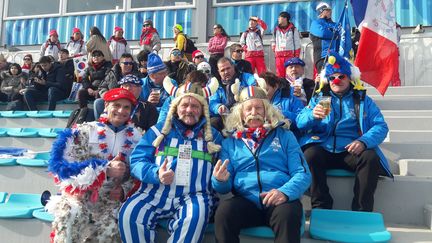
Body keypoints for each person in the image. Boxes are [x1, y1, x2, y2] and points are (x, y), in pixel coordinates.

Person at [118, 77, 222, 243]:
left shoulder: (214, 137)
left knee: (194, 217)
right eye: (184, 105)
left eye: (195, 106)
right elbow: (137, 160)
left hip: (194, 196)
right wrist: (156, 172)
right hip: (153, 193)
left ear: (203, 110)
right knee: (130, 213)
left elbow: (225, 169)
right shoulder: (157, 131)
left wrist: (221, 178)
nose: (189, 110)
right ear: (175, 108)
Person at [212, 85, 311, 243]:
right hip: (247, 201)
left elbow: (303, 173)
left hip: (279, 200)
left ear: (266, 111)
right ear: (241, 114)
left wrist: (284, 192)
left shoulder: (285, 136)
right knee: (224, 212)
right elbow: (224, 188)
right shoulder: (230, 143)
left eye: (258, 108)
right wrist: (220, 180)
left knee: (288, 215)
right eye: (248, 109)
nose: (253, 113)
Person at [296, 51, 392, 212]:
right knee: (310, 155)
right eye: (332, 77)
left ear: (350, 78)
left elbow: (381, 126)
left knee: (370, 157)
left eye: (341, 77)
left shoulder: (362, 100)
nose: (336, 80)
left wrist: (363, 141)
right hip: (323, 147)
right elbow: (299, 122)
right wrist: (312, 116)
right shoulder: (318, 98)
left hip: (350, 150)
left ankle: (362, 210)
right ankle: (321, 206)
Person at [46, 88, 142, 243]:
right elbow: (65, 166)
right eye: (116, 105)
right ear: (106, 106)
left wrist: (124, 190)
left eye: (126, 107)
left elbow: (139, 172)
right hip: (81, 194)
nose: (121, 111)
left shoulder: (138, 137)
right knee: (69, 214)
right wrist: (104, 170)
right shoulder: (86, 130)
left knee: (112, 227)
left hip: (112, 199)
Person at [209, 57, 255, 130]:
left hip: (245, 112)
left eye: (228, 68)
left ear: (233, 66)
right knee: (213, 122)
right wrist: (218, 107)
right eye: (222, 70)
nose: (226, 72)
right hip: (225, 116)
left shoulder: (245, 77)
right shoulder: (216, 84)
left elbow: (254, 84)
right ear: (219, 72)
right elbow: (212, 102)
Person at [94, 53, 139, 119]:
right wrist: (108, 97)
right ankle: (101, 124)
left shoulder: (137, 75)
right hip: (112, 100)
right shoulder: (112, 74)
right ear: (120, 64)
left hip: (129, 101)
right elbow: (102, 87)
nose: (128, 65)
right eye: (126, 63)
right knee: (98, 102)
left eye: (130, 63)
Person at [309, 2, 340, 71]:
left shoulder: (334, 24)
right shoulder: (315, 23)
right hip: (323, 57)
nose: (330, 12)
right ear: (321, 11)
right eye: (327, 10)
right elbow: (323, 33)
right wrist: (335, 34)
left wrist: (333, 33)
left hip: (336, 56)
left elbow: (340, 34)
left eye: (330, 10)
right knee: (325, 79)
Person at [271, 12, 301, 78]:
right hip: (279, 56)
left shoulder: (293, 29)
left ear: (285, 18)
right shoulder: (276, 29)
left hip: (290, 56)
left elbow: (297, 43)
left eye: (279, 17)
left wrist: (296, 56)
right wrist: (274, 47)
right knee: (279, 74)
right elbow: (273, 40)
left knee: (290, 74)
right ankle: (281, 87)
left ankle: (290, 87)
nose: (278, 19)